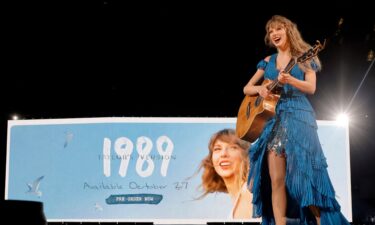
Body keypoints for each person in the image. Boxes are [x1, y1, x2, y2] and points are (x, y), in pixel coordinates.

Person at [243, 15, 350, 225]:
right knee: (276, 181)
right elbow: (246, 88)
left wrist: (290, 79)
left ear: (288, 31)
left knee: (305, 177)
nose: (274, 33)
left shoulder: (304, 57)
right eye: (271, 30)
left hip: (300, 117)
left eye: (278, 29)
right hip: (274, 119)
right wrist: (261, 89)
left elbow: (311, 88)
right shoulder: (267, 62)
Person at [197, 128, 253, 219]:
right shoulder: (238, 200)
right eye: (217, 149)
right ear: (211, 160)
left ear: (246, 155)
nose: (223, 154)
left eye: (233, 147)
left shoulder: (250, 192)